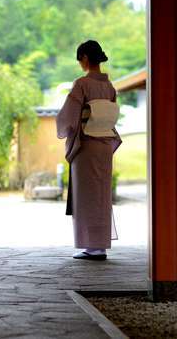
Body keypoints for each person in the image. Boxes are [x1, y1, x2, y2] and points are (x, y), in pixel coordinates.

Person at [57, 40, 121, 261]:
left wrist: (65, 128)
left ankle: (91, 246)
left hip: (85, 146)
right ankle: (99, 246)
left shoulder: (82, 84)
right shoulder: (109, 86)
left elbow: (68, 117)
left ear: (84, 57)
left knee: (86, 196)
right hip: (104, 144)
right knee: (101, 195)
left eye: (80, 59)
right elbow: (111, 116)